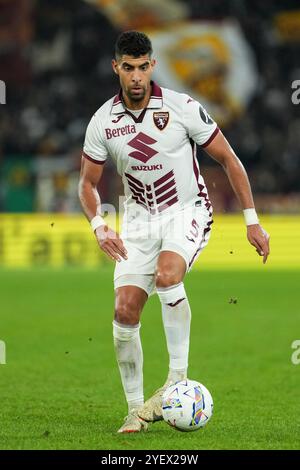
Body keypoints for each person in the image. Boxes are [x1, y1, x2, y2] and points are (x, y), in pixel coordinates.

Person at [78, 31, 270, 433]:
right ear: (116, 68)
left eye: (142, 66)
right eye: (127, 67)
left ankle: (176, 380)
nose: (135, 76)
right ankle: (135, 411)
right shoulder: (103, 122)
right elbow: (87, 184)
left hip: (187, 211)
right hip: (137, 223)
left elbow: (229, 160)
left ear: (153, 65)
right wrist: (99, 225)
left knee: (168, 276)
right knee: (124, 311)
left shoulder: (183, 108)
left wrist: (252, 221)